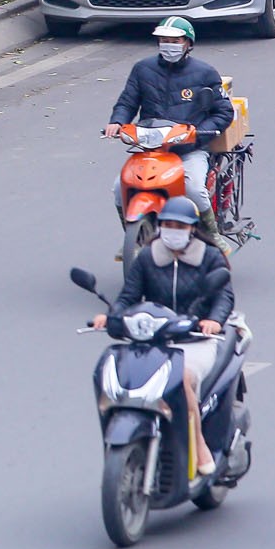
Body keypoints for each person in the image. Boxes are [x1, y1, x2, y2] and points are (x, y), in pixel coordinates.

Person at [93, 197, 235, 476]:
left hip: (196, 337)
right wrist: (111, 317)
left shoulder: (209, 256)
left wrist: (213, 322)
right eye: (168, 225)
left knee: (181, 379)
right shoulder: (148, 256)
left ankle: (200, 445)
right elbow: (129, 296)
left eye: (179, 225)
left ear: (192, 228)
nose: (173, 230)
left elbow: (224, 296)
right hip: (155, 338)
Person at [103, 16, 236, 257]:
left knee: (194, 188)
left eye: (175, 40)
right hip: (151, 149)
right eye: (164, 40)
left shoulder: (205, 73)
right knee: (118, 187)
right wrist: (117, 122)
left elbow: (224, 111)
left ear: (188, 43)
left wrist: (198, 132)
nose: (169, 45)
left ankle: (212, 234)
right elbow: (127, 101)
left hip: (190, 149)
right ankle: (132, 236)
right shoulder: (143, 69)